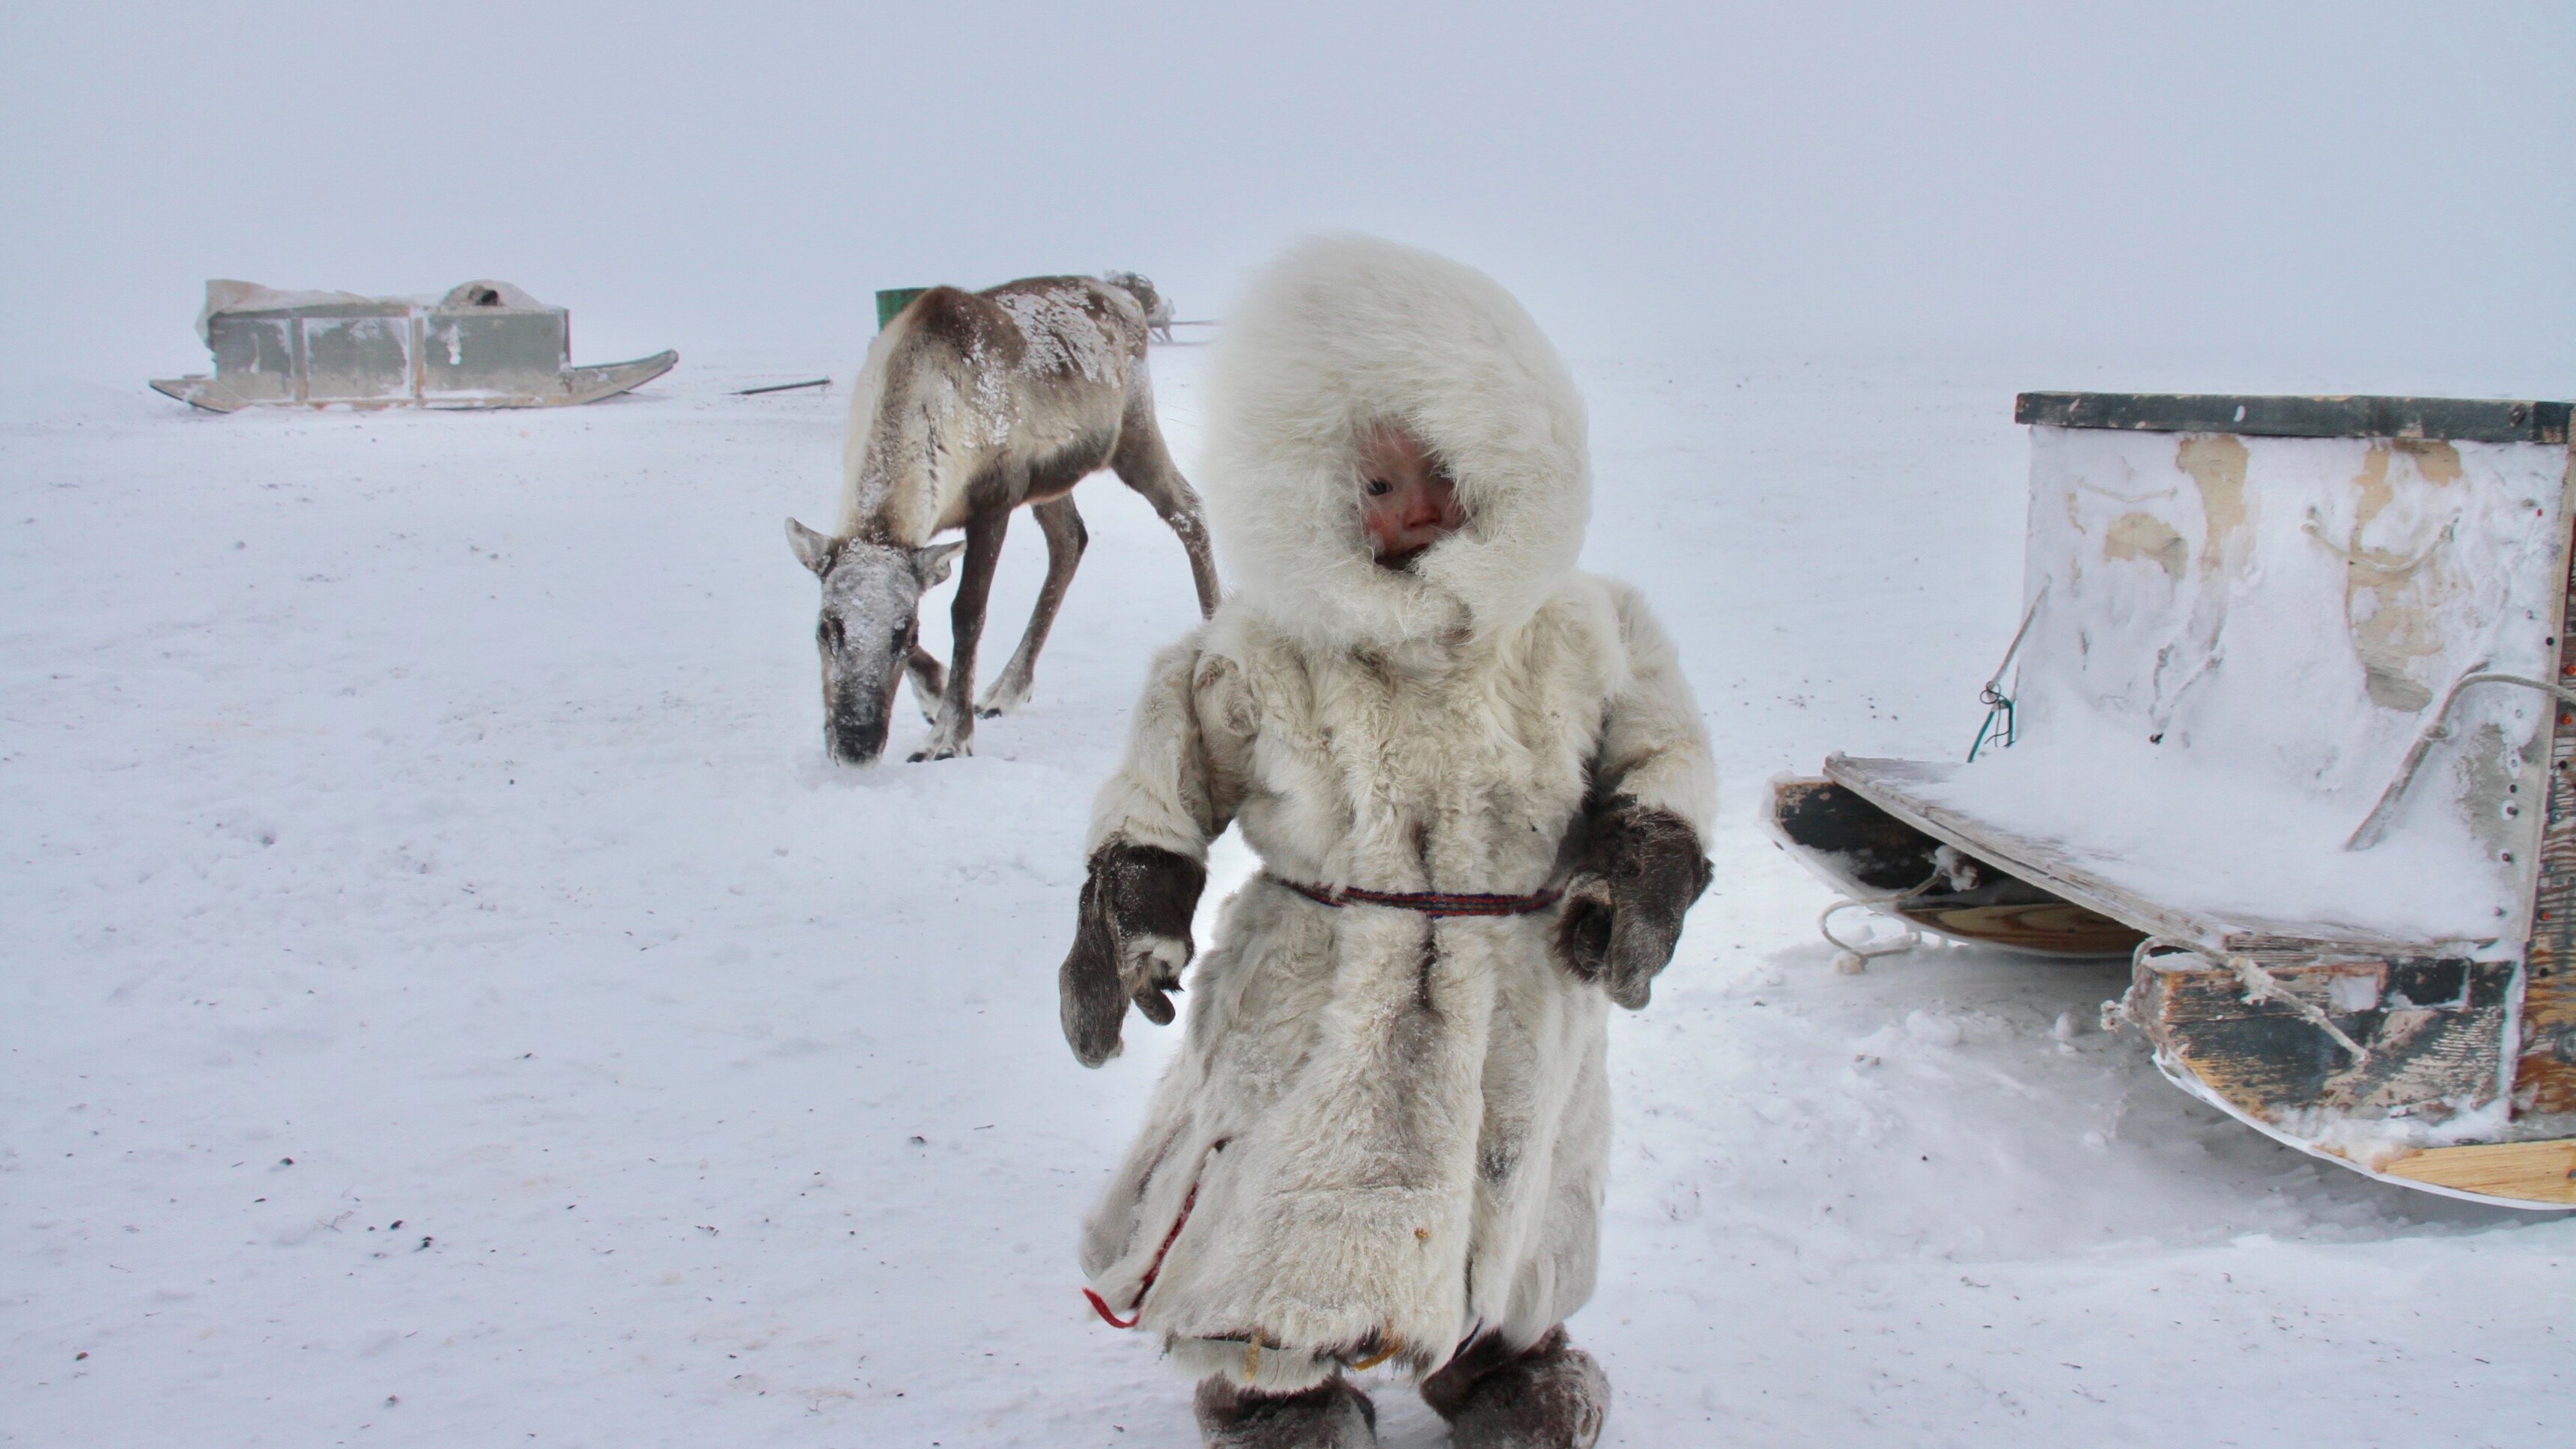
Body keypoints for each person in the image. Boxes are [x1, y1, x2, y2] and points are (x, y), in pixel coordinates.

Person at [1057, 236, 1715, 1449]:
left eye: (1442, 470)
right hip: (1319, 983)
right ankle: (1273, 1377)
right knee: (1297, 1185)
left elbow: (1661, 755)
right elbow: (1171, 774)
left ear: (1509, 455)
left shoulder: (1586, 625)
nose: (1415, 507)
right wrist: (1133, 899)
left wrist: (1644, 860)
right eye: (1374, 484)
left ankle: (1501, 1358)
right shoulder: (1263, 647)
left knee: (1514, 1181)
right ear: (1308, 488)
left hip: (1523, 982)